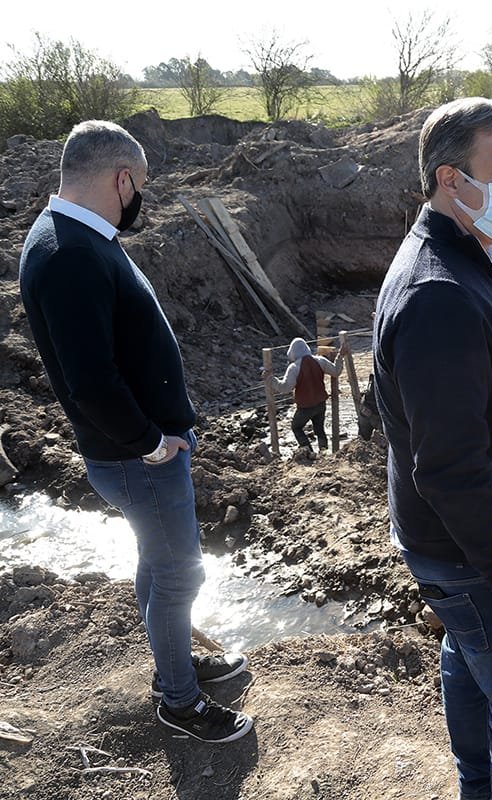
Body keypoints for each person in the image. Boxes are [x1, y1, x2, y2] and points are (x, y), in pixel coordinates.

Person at [18, 120, 252, 743]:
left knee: (159, 561)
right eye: (140, 184)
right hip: (137, 456)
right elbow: (90, 379)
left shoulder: (76, 236)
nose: (140, 197)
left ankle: (174, 664)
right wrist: (152, 441)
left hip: (136, 449)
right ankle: (179, 701)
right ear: (122, 178)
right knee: (180, 572)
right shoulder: (69, 254)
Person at [372, 97, 492, 800]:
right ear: (451, 179)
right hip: (487, 555)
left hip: (475, 550)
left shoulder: (466, 256)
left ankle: (477, 787)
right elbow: (451, 468)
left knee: (471, 660)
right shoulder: (440, 297)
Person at [263, 337, 344, 453]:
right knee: (319, 429)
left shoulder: (294, 368)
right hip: (321, 403)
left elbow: (285, 388)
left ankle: (308, 452)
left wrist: (270, 379)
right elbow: (336, 371)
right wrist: (340, 356)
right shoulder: (320, 360)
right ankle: (324, 452)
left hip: (305, 407)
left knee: (296, 427)